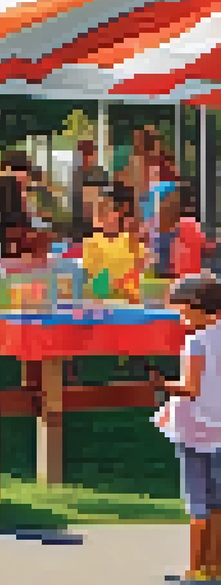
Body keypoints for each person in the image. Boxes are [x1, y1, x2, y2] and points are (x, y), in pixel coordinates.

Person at [152, 275, 221, 581]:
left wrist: (163, 384)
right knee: (218, 501)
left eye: (182, 312)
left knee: (197, 501)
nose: (181, 319)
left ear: (199, 308)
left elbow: (190, 388)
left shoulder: (197, 341)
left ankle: (194, 569)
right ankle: (215, 565)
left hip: (196, 428)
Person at [83, 186, 144, 302]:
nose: (105, 215)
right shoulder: (91, 243)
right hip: (102, 302)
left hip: (129, 301)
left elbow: (140, 267)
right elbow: (92, 275)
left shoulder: (131, 240)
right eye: (101, 211)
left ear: (119, 213)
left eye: (109, 210)